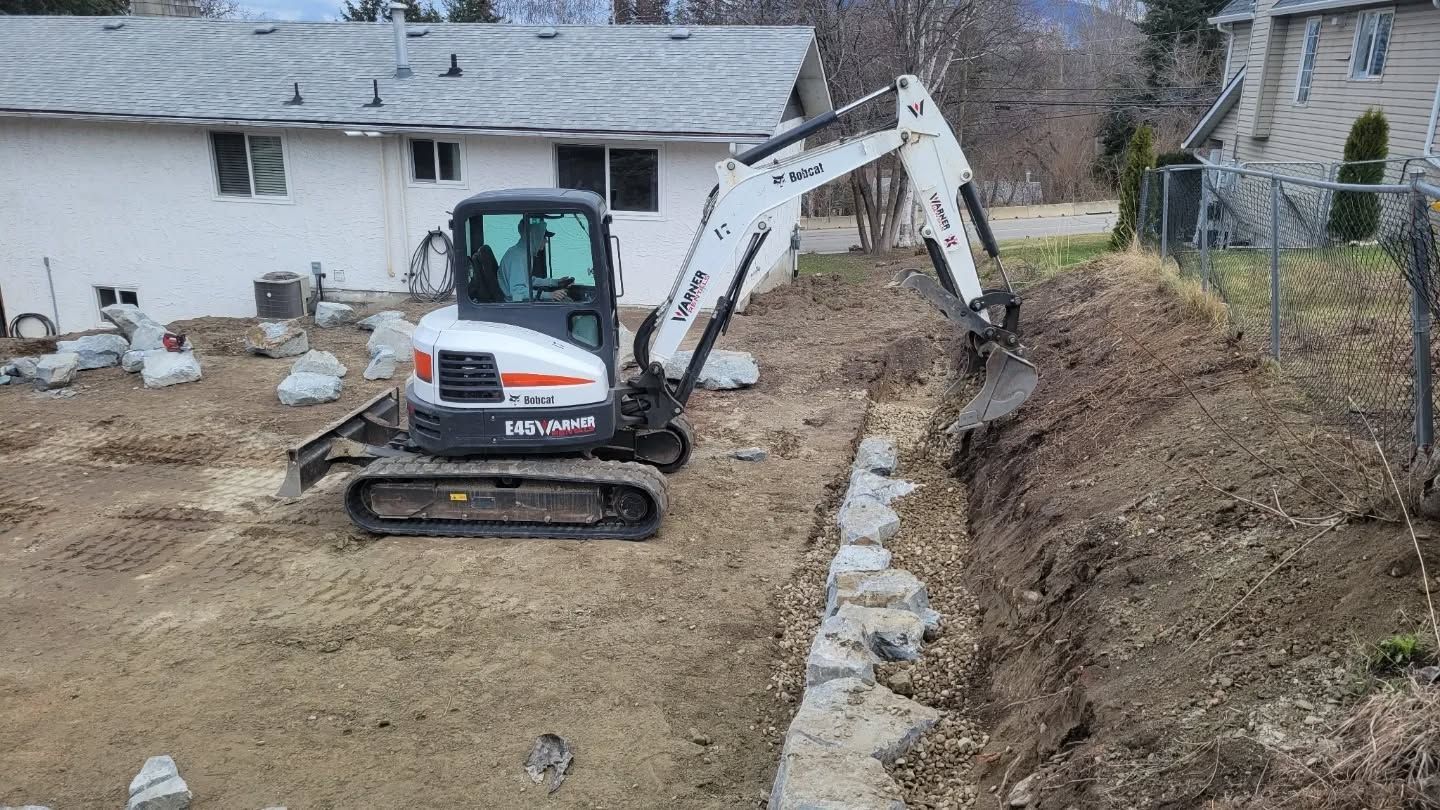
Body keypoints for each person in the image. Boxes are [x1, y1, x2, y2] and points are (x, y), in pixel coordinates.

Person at [499, 217, 569, 302]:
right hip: (515, 303)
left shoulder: (523, 253)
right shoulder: (518, 257)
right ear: (535, 236)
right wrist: (549, 295)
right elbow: (517, 292)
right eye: (543, 236)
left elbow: (528, 281)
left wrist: (555, 282)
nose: (546, 241)